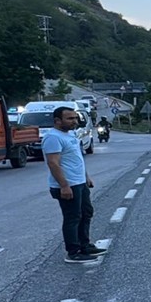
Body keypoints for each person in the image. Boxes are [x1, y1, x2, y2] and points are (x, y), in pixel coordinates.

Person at [44, 107, 104, 264]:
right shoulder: (52, 138)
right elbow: (53, 163)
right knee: (72, 217)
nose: (75, 121)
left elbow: (76, 159)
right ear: (57, 121)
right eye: (70, 119)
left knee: (86, 212)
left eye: (75, 118)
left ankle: (85, 245)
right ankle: (73, 251)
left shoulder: (70, 134)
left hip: (79, 182)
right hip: (67, 185)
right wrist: (64, 185)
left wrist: (86, 177)